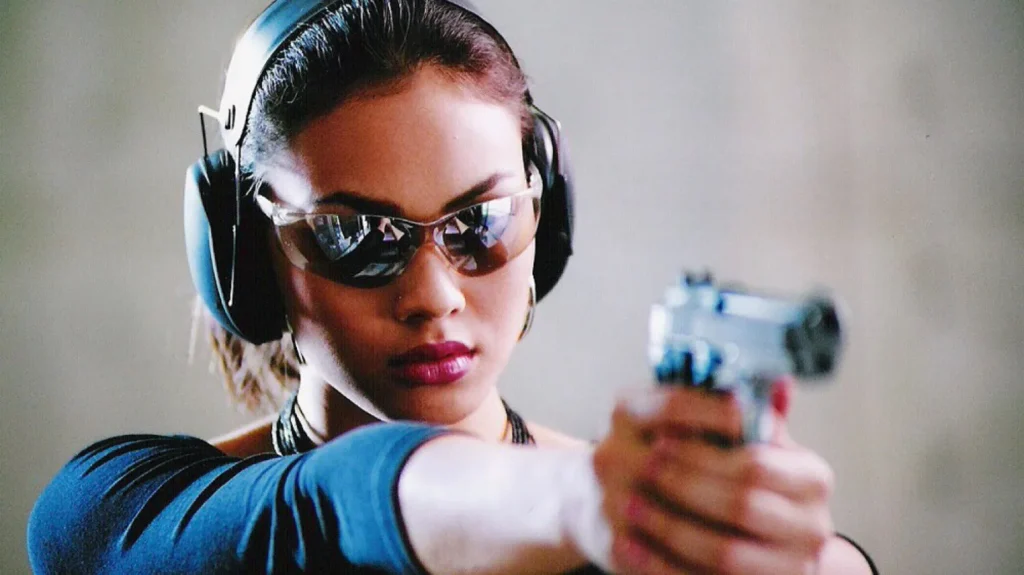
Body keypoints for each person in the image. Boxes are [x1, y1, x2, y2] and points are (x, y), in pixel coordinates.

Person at [26, 1, 878, 573]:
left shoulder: (628, 523)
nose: (432, 295)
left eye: (480, 222)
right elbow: (338, 502)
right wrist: (584, 502)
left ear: (545, 215)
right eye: (354, 235)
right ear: (248, 254)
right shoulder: (119, 511)